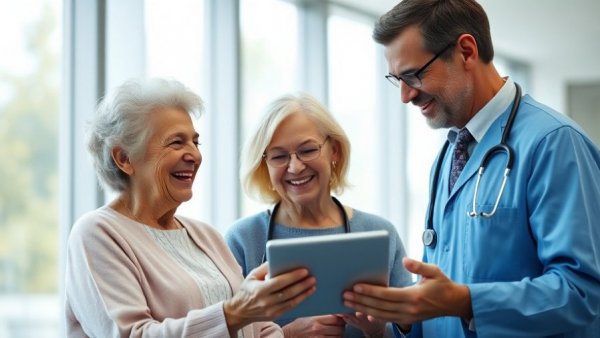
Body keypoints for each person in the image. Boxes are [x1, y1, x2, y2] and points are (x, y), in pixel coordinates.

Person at [340, 0, 600, 337]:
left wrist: (465, 301)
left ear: (465, 51)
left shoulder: (554, 143)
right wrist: (398, 322)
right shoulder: (448, 156)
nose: (405, 96)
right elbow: (441, 299)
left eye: (413, 75)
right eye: (396, 80)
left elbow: (583, 294)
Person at [64, 78, 317, 337]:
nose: (194, 155)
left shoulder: (206, 236)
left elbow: (253, 331)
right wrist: (236, 312)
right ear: (125, 158)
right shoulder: (97, 233)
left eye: (195, 142)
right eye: (176, 142)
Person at [225, 93, 413, 337]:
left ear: (334, 150)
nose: (295, 167)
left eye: (308, 150)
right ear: (264, 165)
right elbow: (225, 329)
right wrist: (288, 335)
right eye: (279, 156)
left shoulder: (379, 232)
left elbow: (415, 330)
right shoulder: (243, 240)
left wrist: (377, 331)